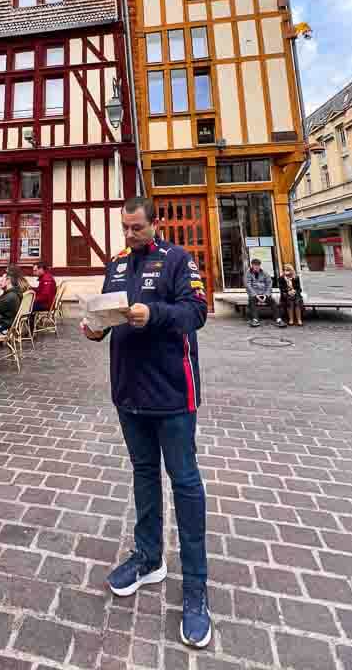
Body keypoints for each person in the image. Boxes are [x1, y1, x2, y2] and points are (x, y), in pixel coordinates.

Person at [82, 195, 211, 650]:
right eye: (124, 228)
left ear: (154, 224)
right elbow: (106, 315)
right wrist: (96, 327)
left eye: (136, 227)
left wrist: (151, 313)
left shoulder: (178, 260)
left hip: (173, 392)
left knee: (186, 482)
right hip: (129, 392)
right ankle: (149, 557)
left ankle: (196, 586)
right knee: (142, 474)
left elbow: (197, 313)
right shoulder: (117, 264)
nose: (129, 235)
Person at [244, 258, 285, 328]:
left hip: (264, 293)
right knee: (252, 302)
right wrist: (256, 295)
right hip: (254, 294)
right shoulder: (248, 273)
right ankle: (255, 319)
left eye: (258, 265)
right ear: (252, 265)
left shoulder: (264, 272)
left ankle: (278, 319)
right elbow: (248, 285)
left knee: (273, 301)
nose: (256, 267)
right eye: (255, 265)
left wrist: (266, 295)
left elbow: (269, 283)